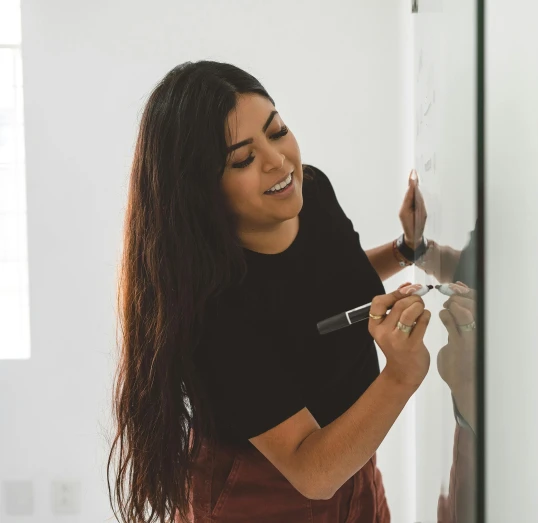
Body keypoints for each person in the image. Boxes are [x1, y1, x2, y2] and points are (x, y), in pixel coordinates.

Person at [107, 61, 434, 523]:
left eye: (277, 131)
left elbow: (333, 278)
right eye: (242, 158)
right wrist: (402, 375)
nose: (278, 161)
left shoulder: (312, 191)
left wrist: (406, 250)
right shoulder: (214, 308)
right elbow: (310, 471)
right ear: (201, 189)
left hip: (351, 461)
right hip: (265, 493)